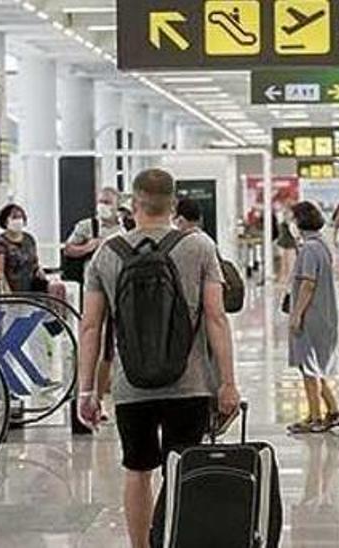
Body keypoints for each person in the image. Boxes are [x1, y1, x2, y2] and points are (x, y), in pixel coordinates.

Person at [75, 168, 239, 548]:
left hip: (131, 385)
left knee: (137, 470)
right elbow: (216, 316)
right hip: (190, 383)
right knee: (182, 470)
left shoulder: (107, 253)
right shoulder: (199, 247)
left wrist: (87, 391)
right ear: (174, 204)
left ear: (133, 204)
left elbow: (91, 327)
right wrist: (228, 382)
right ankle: (178, 538)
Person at [286, 201, 339, 434]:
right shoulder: (322, 245)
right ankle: (333, 410)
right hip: (324, 314)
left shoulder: (309, 249)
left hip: (311, 316)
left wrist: (297, 315)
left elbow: (308, 285)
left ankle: (315, 417)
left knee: (309, 368)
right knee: (314, 366)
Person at [0, 204, 66, 301]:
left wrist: (42, 274)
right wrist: (8, 295)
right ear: (5, 221)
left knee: (57, 289)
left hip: (31, 287)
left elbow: (35, 263)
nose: (18, 220)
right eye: (14, 217)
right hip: (10, 288)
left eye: (20, 217)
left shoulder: (29, 239)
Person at [63, 187, 123, 275]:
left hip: (120, 276)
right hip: (94, 278)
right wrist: (87, 247)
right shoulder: (87, 225)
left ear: (117, 206)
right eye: (100, 202)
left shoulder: (125, 228)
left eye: (107, 202)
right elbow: (68, 250)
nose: (102, 206)